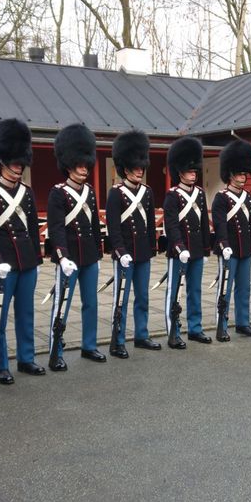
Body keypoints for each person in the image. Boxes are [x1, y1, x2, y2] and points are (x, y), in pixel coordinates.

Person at [0, 118, 44, 381]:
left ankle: (26, 358)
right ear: (2, 162)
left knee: (26, 313)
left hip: (27, 262)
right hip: (4, 264)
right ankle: (1, 363)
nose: (18, 167)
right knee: (0, 317)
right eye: (14, 163)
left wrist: (37, 259)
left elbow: (30, 227)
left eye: (21, 163)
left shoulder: (26, 193)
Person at [47, 124, 104, 368]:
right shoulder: (57, 193)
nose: (83, 169)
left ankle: (89, 345)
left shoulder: (90, 191)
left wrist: (98, 252)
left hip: (89, 256)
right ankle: (55, 349)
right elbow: (57, 227)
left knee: (91, 302)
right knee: (62, 304)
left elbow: (93, 225)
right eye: (79, 165)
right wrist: (61, 256)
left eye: (85, 165)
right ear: (69, 165)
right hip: (69, 257)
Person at [105, 130, 161, 357]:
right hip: (125, 254)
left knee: (143, 297)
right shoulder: (116, 193)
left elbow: (148, 224)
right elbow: (113, 226)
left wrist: (151, 248)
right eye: (136, 167)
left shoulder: (147, 193)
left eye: (141, 167)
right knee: (122, 298)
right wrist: (120, 251)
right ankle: (117, 340)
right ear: (125, 168)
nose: (140, 170)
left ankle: (141, 334)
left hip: (143, 254)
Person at [163, 136, 212, 348]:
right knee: (175, 291)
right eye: (190, 170)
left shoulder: (200, 194)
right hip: (179, 251)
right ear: (180, 171)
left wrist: (206, 249)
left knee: (195, 290)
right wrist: (179, 247)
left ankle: (195, 328)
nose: (193, 173)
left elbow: (202, 223)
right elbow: (171, 224)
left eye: (195, 170)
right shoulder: (173, 195)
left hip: (197, 251)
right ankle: (173, 331)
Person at [211, 139, 251, 341]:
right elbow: (220, 224)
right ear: (230, 174)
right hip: (229, 249)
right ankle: (221, 325)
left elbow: (250, 222)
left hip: (245, 250)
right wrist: (224, 245)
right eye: (239, 174)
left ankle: (243, 323)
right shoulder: (221, 197)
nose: (242, 177)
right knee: (225, 289)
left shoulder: (247, 197)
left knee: (244, 288)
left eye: (243, 173)